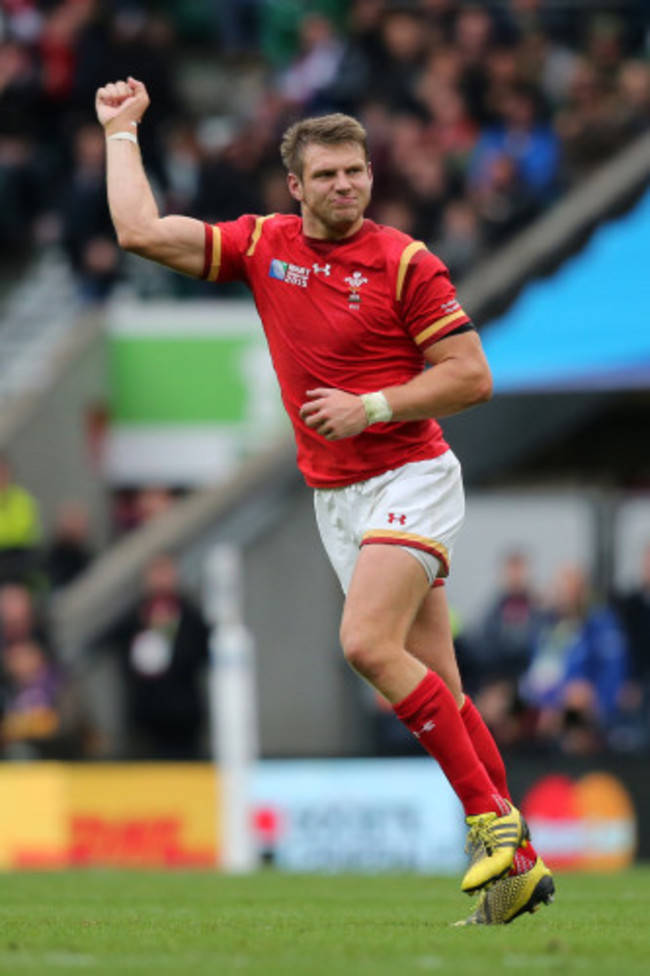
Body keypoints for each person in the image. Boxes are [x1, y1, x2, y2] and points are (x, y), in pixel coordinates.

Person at [95, 76, 554, 924]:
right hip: (337, 498)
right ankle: (519, 866)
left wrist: (371, 405)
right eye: (329, 175)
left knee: (365, 645)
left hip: (412, 475)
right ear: (296, 187)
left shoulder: (406, 261)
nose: (347, 186)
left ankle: (491, 825)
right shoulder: (264, 244)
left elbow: (471, 377)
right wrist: (122, 132)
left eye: (357, 171)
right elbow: (137, 231)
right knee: (442, 688)